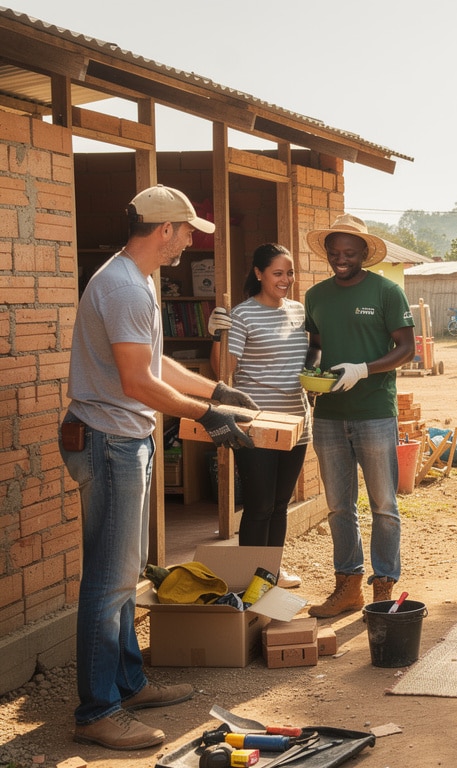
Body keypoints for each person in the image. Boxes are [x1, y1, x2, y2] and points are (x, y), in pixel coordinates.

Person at [62, 185, 256, 750]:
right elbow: (137, 383)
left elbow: (157, 363)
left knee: (121, 574)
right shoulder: (122, 286)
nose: (191, 240)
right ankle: (97, 710)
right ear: (163, 230)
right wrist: (209, 416)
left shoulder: (139, 281)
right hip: (111, 441)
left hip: (124, 439)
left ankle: (127, 683)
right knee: (109, 581)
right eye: (187, 230)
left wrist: (217, 389)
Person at [303, 214, 415, 618]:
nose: (341, 259)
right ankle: (347, 586)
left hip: (373, 412)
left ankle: (383, 586)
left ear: (364, 254)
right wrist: (310, 371)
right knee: (338, 506)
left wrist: (363, 369)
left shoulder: (387, 292)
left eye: (349, 253)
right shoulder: (316, 296)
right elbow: (315, 344)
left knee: (384, 504)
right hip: (329, 413)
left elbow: (407, 348)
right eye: (334, 253)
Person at [206, 244, 311, 589]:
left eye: (290, 273)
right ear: (259, 273)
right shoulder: (243, 315)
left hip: (297, 423)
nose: (286, 280)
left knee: (280, 504)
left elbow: (307, 358)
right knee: (259, 505)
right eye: (278, 273)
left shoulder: (298, 311)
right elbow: (223, 369)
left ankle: (270, 575)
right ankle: (249, 579)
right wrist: (217, 335)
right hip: (258, 424)